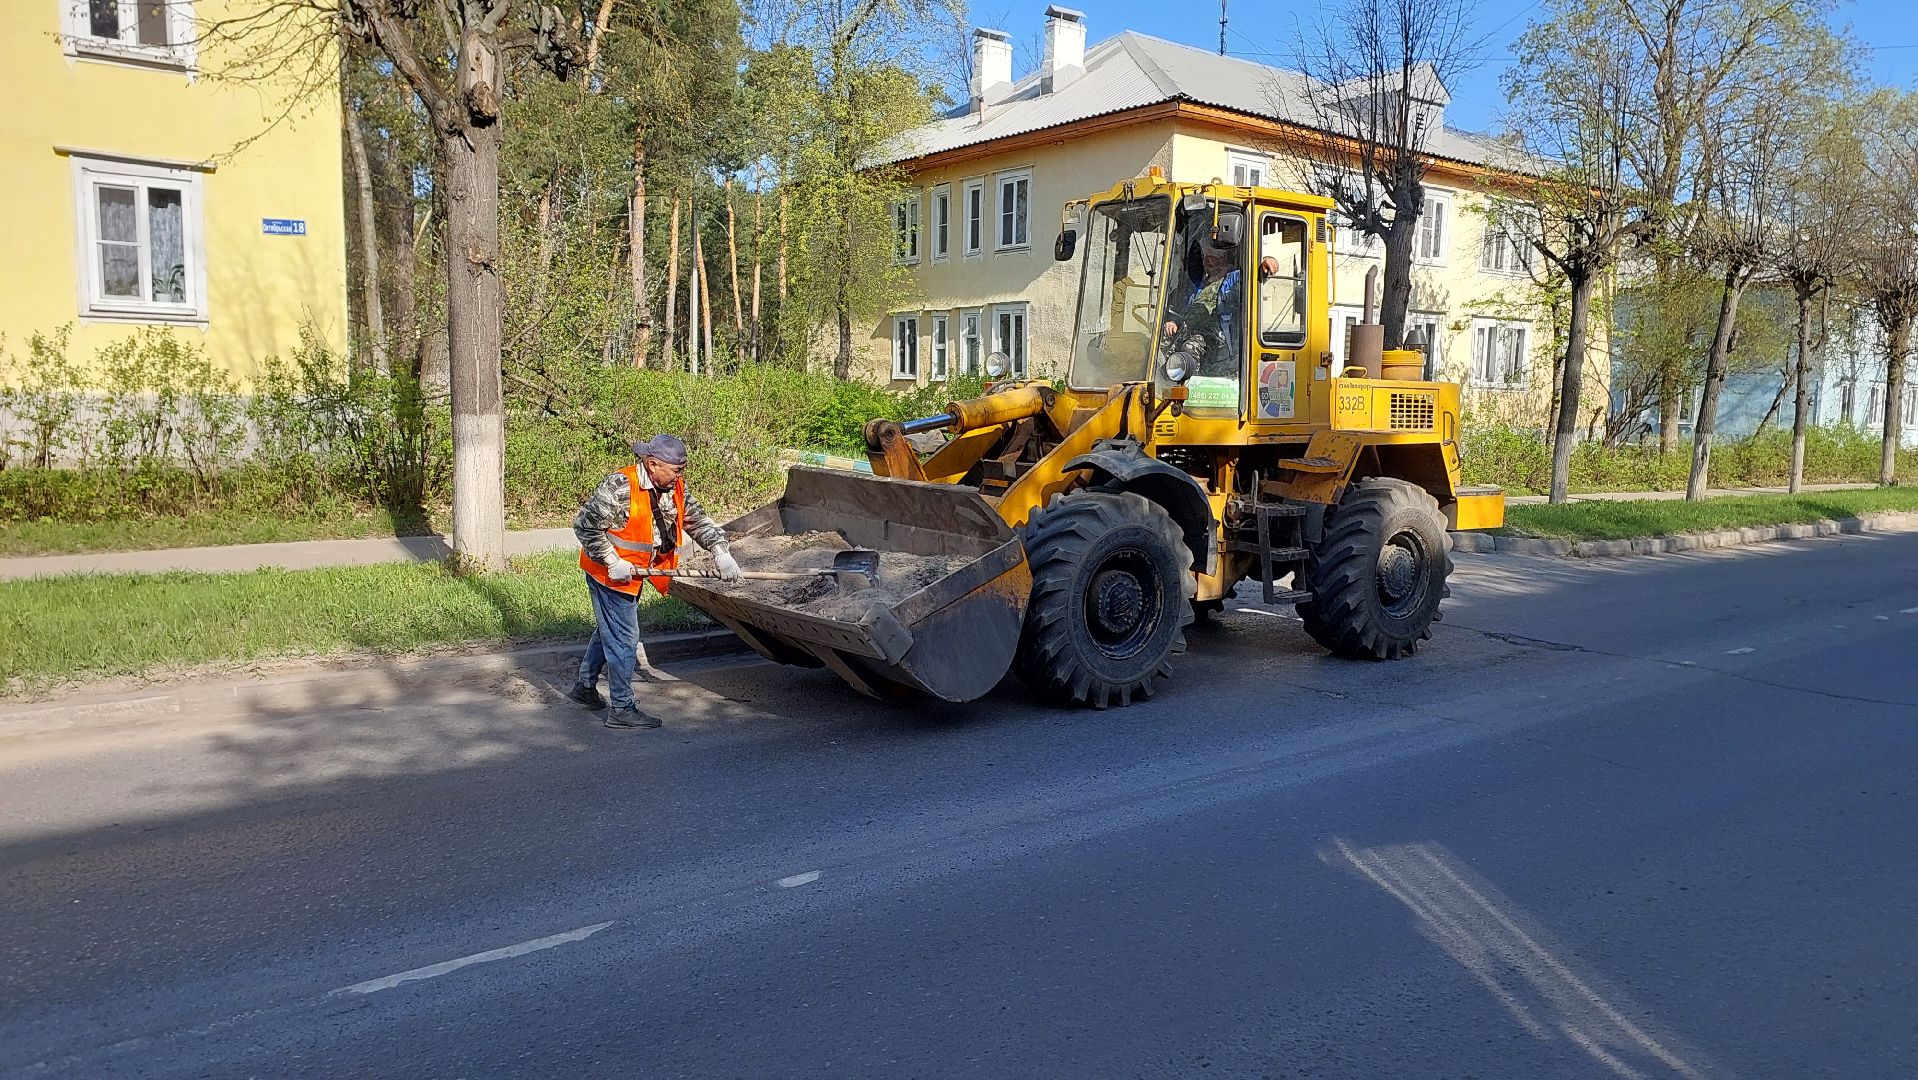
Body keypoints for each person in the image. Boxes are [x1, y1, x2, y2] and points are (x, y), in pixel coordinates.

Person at [569, 434, 741, 730]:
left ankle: (585, 687)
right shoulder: (619, 486)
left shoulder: (673, 487)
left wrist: (721, 552)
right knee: (624, 639)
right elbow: (584, 527)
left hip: (637, 573)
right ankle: (621, 709)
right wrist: (612, 561)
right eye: (676, 470)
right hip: (609, 573)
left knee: (610, 630)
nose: (680, 475)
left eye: (682, 469)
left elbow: (697, 521)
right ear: (652, 464)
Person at [1161, 238, 1245, 375]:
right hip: (1186, 329)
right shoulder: (1199, 284)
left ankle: (1188, 386)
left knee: (1189, 348)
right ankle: (1162, 381)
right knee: (1158, 342)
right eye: (1204, 257)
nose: (1206, 262)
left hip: (1211, 335)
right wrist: (1173, 321)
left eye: (1210, 257)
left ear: (1222, 258)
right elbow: (1180, 306)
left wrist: (1267, 261)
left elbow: (1251, 271)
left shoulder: (1232, 279)